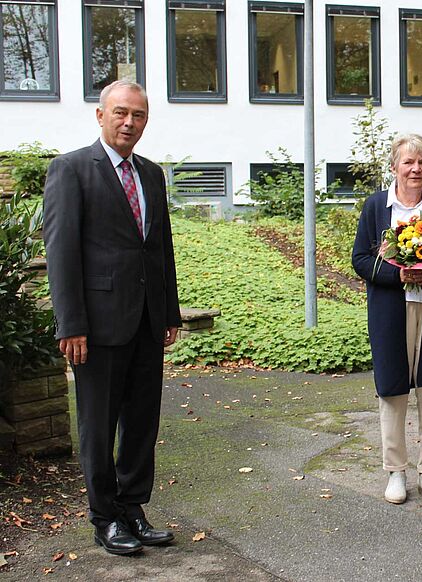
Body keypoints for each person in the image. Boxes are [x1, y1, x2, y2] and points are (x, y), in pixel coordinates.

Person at [43, 80, 181, 555]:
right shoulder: (71, 169)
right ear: (100, 116)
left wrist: (169, 311)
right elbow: (61, 253)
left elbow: (160, 248)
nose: (129, 123)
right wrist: (71, 323)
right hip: (97, 327)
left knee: (142, 422)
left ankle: (133, 508)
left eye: (138, 115)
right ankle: (105, 518)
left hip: (146, 320)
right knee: (98, 427)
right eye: (120, 113)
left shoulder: (151, 174)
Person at [352, 134, 422, 506]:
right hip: (389, 309)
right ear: (394, 167)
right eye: (408, 162)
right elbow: (361, 260)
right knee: (393, 389)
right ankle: (395, 470)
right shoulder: (377, 206)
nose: (416, 169)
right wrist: (397, 274)